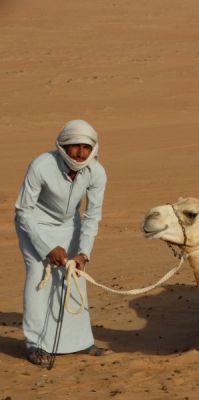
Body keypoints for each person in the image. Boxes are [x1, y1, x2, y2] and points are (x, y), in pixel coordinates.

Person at [15, 119, 110, 367]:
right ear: (63, 146)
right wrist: (47, 248)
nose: (80, 153)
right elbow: (23, 211)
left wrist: (83, 253)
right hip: (34, 224)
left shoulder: (97, 172)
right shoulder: (41, 165)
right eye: (75, 146)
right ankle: (35, 345)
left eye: (86, 147)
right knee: (39, 276)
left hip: (70, 225)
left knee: (74, 276)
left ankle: (79, 343)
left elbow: (92, 216)